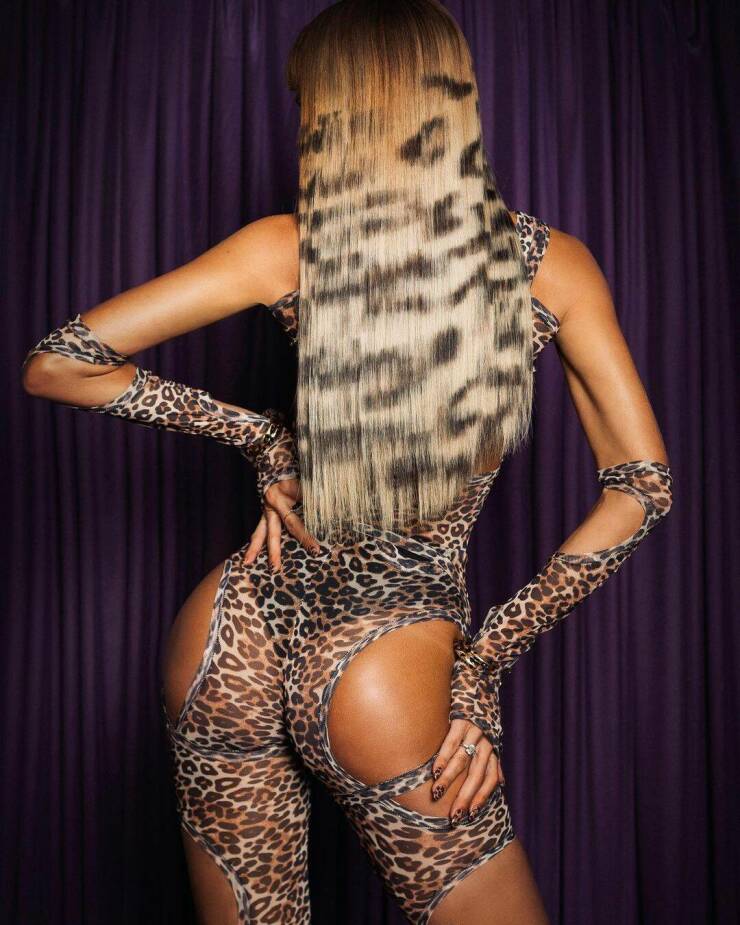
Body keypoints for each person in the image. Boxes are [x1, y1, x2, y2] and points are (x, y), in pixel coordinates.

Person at [21, 1, 673, 923]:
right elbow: (643, 487)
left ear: (334, 113)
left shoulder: (283, 248)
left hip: (232, 630)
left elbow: (58, 363)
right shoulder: (546, 265)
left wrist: (259, 435)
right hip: (386, 646)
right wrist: (484, 658)